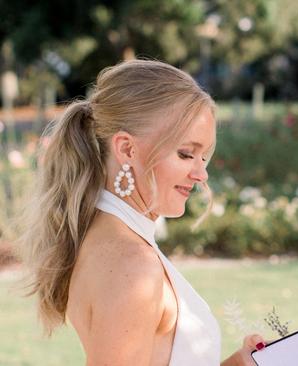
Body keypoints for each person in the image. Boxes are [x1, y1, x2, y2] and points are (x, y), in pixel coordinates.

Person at [18, 59, 265, 365]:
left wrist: (240, 363)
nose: (201, 174)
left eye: (204, 156)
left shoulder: (113, 237)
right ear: (126, 149)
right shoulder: (132, 266)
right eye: (186, 154)